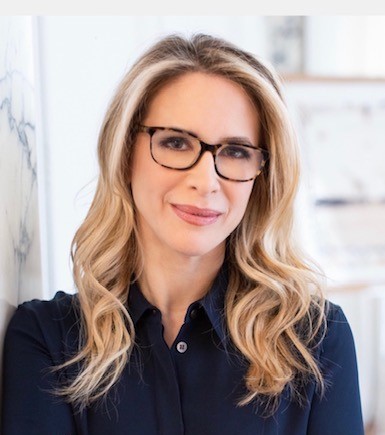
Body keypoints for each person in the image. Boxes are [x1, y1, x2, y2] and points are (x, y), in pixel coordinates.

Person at [2, 33, 364, 435]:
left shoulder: (315, 340)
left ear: (260, 175)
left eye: (236, 151)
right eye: (176, 142)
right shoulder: (47, 339)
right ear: (124, 153)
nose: (205, 180)